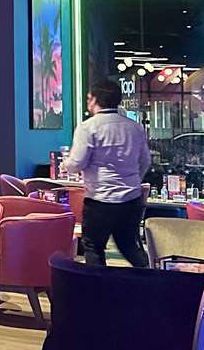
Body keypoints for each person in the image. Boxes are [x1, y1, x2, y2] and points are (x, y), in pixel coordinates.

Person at [61, 78, 153, 268]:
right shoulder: (134, 127)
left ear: (94, 100)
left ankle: (99, 291)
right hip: (130, 198)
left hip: (99, 199)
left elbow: (77, 163)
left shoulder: (88, 127)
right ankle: (151, 283)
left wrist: (66, 164)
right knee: (130, 246)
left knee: (93, 247)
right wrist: (134, 181)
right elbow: (145, 161)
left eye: (89, 99)